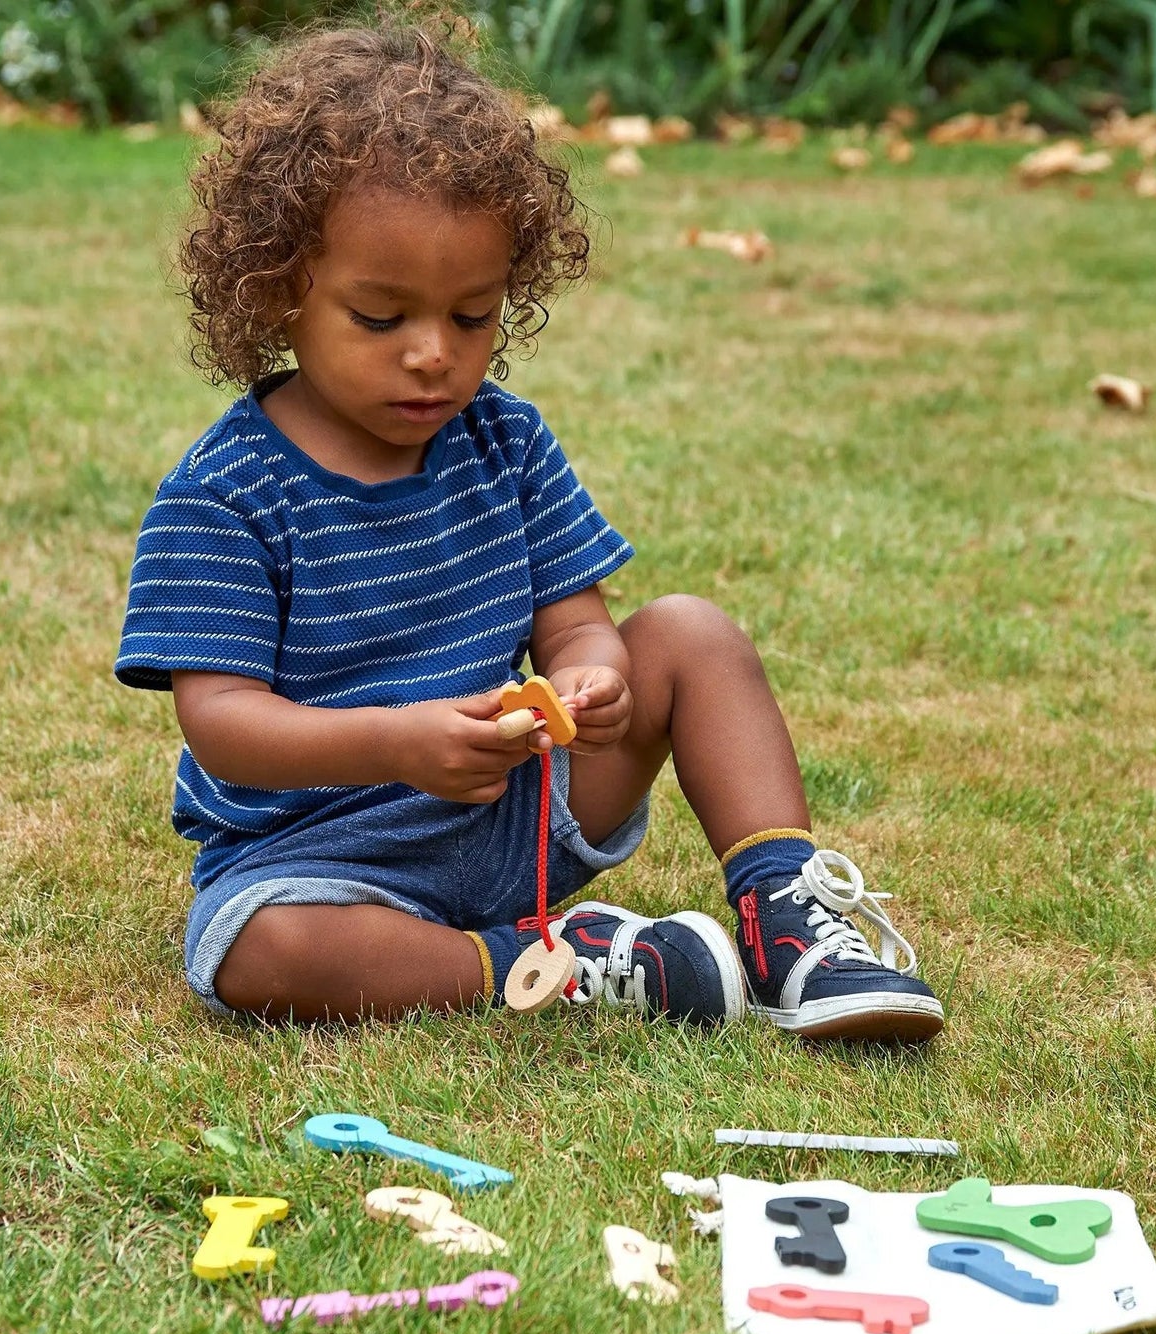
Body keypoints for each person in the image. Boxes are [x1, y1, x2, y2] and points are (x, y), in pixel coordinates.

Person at [114, 14, 945, 1044]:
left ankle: (787, 922)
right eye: (382, 318)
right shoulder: (225, 494)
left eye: (471, 317)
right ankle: (557, 962)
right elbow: (222, 721)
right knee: (251, 952)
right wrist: (395, 742)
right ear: (281, 288)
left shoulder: (502, 441)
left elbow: (577, 626)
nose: (433, 355)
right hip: (327, 854)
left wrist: (595, 678)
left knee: (687, 633)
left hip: (522, 816)